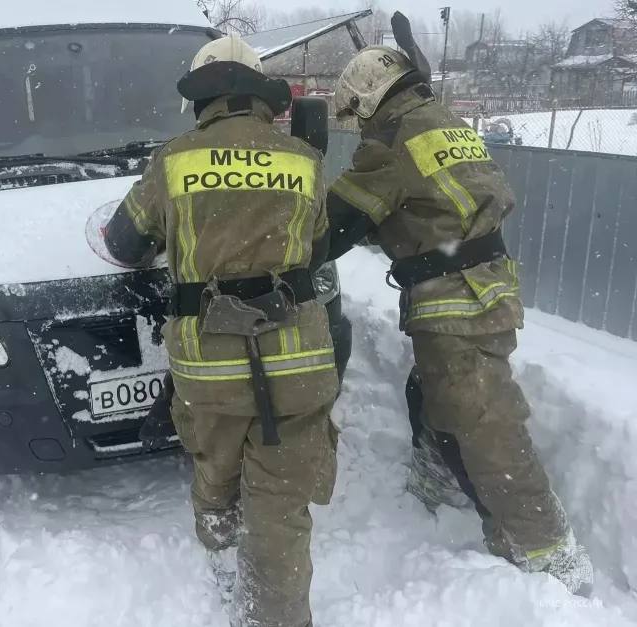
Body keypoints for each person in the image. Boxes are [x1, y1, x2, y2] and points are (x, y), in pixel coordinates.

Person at [324, 30, 594, 596]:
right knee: (432, 391)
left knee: (486, 422)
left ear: (369, 96)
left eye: (357, 115)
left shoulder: (393, 141)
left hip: (455, 297)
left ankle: (548, 554)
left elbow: (335, 225)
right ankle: (439, 481)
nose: (360, 128)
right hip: (486, 283)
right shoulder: (442, 123)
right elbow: (442, 202)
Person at [103, 34, 340, 627]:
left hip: (210, 366)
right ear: (259, 95)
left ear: (201, 98)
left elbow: (124, 242)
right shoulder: (304, 160)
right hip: (298, 360)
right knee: (281, 505)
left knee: (216, 461)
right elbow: (316, 248)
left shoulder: (174, 160)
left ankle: (218, 540)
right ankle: (274, 614)